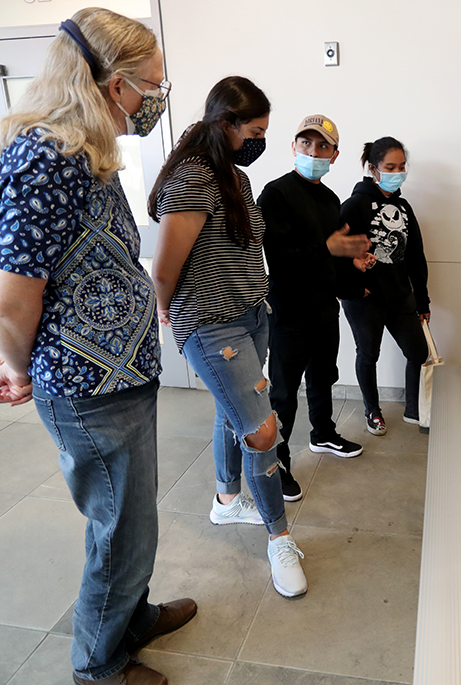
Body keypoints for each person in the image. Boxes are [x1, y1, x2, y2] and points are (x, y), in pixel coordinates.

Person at [0, 9, 195, 685]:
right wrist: (19, 367)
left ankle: (131, 616)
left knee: (134, 521)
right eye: (149, 84)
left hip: (119, 378)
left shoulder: (86, 152)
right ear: (109, 82)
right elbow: (10, 299)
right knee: (118, 531)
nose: (156, 98)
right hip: (88, 388)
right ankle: (99, 664)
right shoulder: (46, 157)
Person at [147, 76, 307, 598]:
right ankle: (279, 539)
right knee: (262, 431)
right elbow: (166, 265)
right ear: (225, 124)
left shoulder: (235, 178)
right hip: (212, 322)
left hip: (250, 314)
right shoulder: (193, 177)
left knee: (232, 414)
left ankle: (224, 502)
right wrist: (166, 313)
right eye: (254, 131)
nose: (258, 140)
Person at [257, 115, 371, 501]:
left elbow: (331, 257)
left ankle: (322, 433)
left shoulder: (330, 200)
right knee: (285, 391)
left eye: (322, 146)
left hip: (324, 307)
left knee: (324, 375)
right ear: (293, 147)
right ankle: (280, 459)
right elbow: (280, 257)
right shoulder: (275, 194)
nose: (313, 152)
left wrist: (351, 263)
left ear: (334, 156)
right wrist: (329, 250)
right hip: (288, 308)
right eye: (306, 143)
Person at [339, 137, 431, 436]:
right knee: (368, 354)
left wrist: (422, 300)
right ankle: (372, 410)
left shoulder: (404, 207)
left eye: (402, 167)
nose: (397, 172)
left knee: (417, 352)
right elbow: (333, 250)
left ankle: (414, 409)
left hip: (400, 297)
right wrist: (353, 286)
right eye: (390, 167)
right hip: (365, 300)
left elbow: (416, 255)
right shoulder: (355, 205)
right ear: (373, 168)